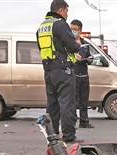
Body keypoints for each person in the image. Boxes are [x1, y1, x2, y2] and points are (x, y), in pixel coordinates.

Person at [37, 0, 86, 143]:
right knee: (67, 104)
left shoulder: (42, 27)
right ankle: (69, 136)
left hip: (48, 70)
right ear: (61, 10)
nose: (67, 14)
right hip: (63, 70)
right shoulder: (60, 24)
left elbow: (42, 48)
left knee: (52, 105)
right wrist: (79, 47)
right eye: (66, 11)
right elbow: (71, 45)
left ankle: (53, 135)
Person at [70, 19, 94, 129]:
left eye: (75, 29)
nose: (72, 31)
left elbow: (90, 58)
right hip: (73, 75)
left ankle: (84, 121)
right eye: (71, 29)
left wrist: (89, 59)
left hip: (84, 75)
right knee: (73, 101)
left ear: (80, 30)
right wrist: (74, 58)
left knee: (84, 101)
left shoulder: (85, 44)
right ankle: (72, 123)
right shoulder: (69, 42)